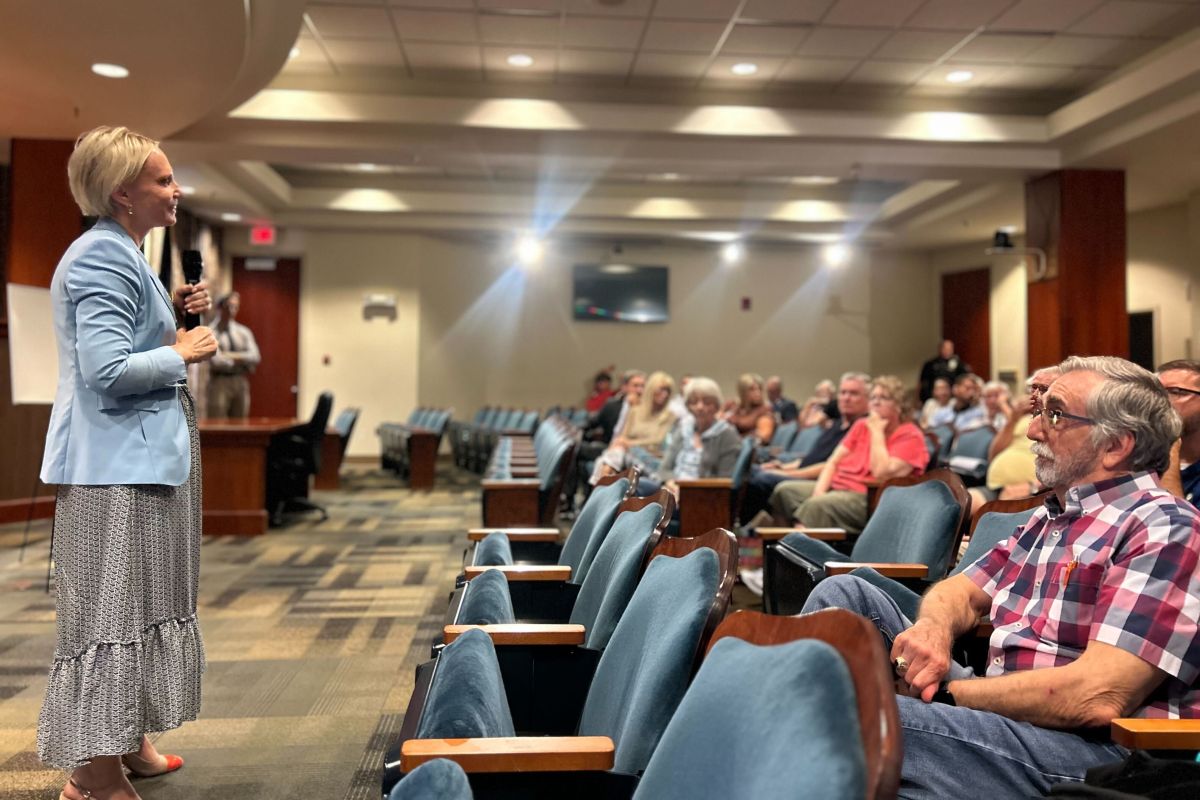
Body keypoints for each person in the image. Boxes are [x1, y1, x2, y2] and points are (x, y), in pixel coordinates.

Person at [804, 355, 1200, 800]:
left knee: (848, 711)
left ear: (1115, 446)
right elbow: (962, 590)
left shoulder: (1162, 525)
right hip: (1002, 709)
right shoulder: (1053, 516)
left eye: (1055, 414)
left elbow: (1097, 695)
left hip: (1086, 749)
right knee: (846, 593)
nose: (1032, 429)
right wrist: (934, 630)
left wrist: (951, 694)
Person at [37, 126, 216, 800]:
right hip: (113, 471)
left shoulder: (126, 252)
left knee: (139, 609)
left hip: (139, 465)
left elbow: (129, 347)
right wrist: (184, 352)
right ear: (122, 193)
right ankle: (92, 774)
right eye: (163, 182)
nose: (176, 192)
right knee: (108, 620)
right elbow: (107, 369)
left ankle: (129, 741)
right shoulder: (100, 259)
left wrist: (173, 325)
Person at [768, 375, 929, 534]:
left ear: (899, 405)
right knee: (784, 491)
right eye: (873, 398)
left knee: (817, 507)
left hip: (870, 499)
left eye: (884, 398)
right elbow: (833, 462)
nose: (876, 402)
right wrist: (819, 492)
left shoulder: (910, 436)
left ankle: (797, 556)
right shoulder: (860, 425)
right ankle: (778, 547)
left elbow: (881, 472)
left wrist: (877, 432)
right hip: (838, 486)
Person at [741, 372, 871, 523]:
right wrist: (783, 467)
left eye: (854, 393)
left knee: (760, 479)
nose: (846, 398)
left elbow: (828, 466)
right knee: (754, 471)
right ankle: (745, 527)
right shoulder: (836, 425)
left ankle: (741, 528)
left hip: (815, 479)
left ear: (867, 399)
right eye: (843, 393)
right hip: (801, 471)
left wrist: (789, 474)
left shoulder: (862, 429)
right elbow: (810, 457)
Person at [966, 367, 1060, 514]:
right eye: (1033, 388)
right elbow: (993, 455)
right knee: (957, 504)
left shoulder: (1061, 421)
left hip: (1032, 493)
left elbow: (1065, 465)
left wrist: (1032, 487)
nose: (1035, 394)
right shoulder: (1021, 417)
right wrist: (1013, 419)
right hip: (996, 486)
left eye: (1043, 389)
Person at [639, 377, 741, 497]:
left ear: (717, 405)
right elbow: (664, 469)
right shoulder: (683, 429)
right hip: (672, 489)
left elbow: (724, 479)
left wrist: (686, 490)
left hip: (701, 496)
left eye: (707, 402)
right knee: (637, 485)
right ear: (688, 406)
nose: (700, 407)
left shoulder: (727, 434)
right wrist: (671, 483)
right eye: (694, 402)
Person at [591, 370, 677, 482]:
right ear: (651, 389)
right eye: (662, 389)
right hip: (627, 455)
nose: (665, 394)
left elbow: (657, 441)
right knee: (607, 461)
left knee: (611, 460)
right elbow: (623, 436)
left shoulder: (670, 416)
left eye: (668, 391)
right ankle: (603, 487)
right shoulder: (635, 411)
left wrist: (629, 444)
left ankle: (599, 490)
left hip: (651, 459)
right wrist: (622, 444)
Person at [206, 291, 260, 418]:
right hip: (219, 382)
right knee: (217, 424)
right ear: (220, 307)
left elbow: (255, 356)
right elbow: (217, 361)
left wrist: (229, 356)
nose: (232, 310)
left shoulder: (243, 332)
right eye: (229, 306)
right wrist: (242, 358)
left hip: (240, 380)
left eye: (236, 306)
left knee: (240, 423)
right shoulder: (210, 332)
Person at [1157, 359, 1200, 503]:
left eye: (1175, 392)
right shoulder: (1139, 457)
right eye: (1156, 392)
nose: (1160, 400)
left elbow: (1175, 522)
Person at [721, 372, 775, 442]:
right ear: (743, 392)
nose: (757, 393)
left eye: (759, 389)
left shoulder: (765, 410)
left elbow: (764, 437)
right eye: (752, 389)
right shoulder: (732, 406)